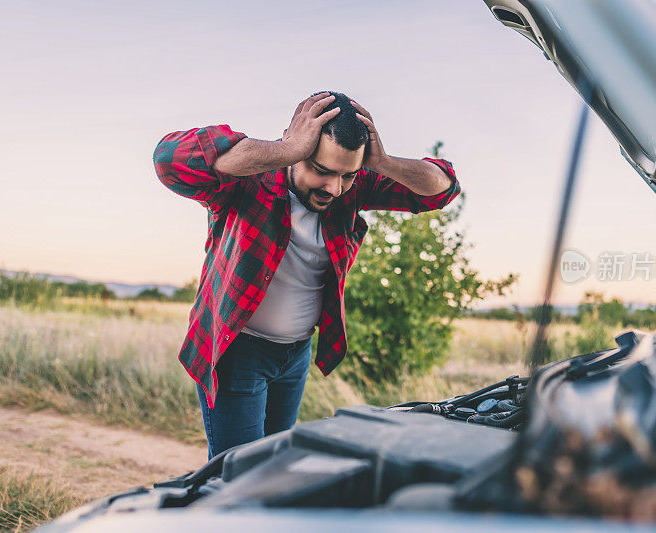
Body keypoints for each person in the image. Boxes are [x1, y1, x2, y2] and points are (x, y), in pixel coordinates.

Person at [153, 91, 461, 459]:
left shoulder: (351, 188)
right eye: (321, 170)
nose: (334, 188)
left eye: (347, 175)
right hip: (239, 353)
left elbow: (441, 190)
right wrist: (284, 150)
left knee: (276, 465)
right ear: (296, 147)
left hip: (295, 355)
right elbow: (168, 160)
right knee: (238, 479)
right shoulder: (248, 179)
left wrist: (383, 162)